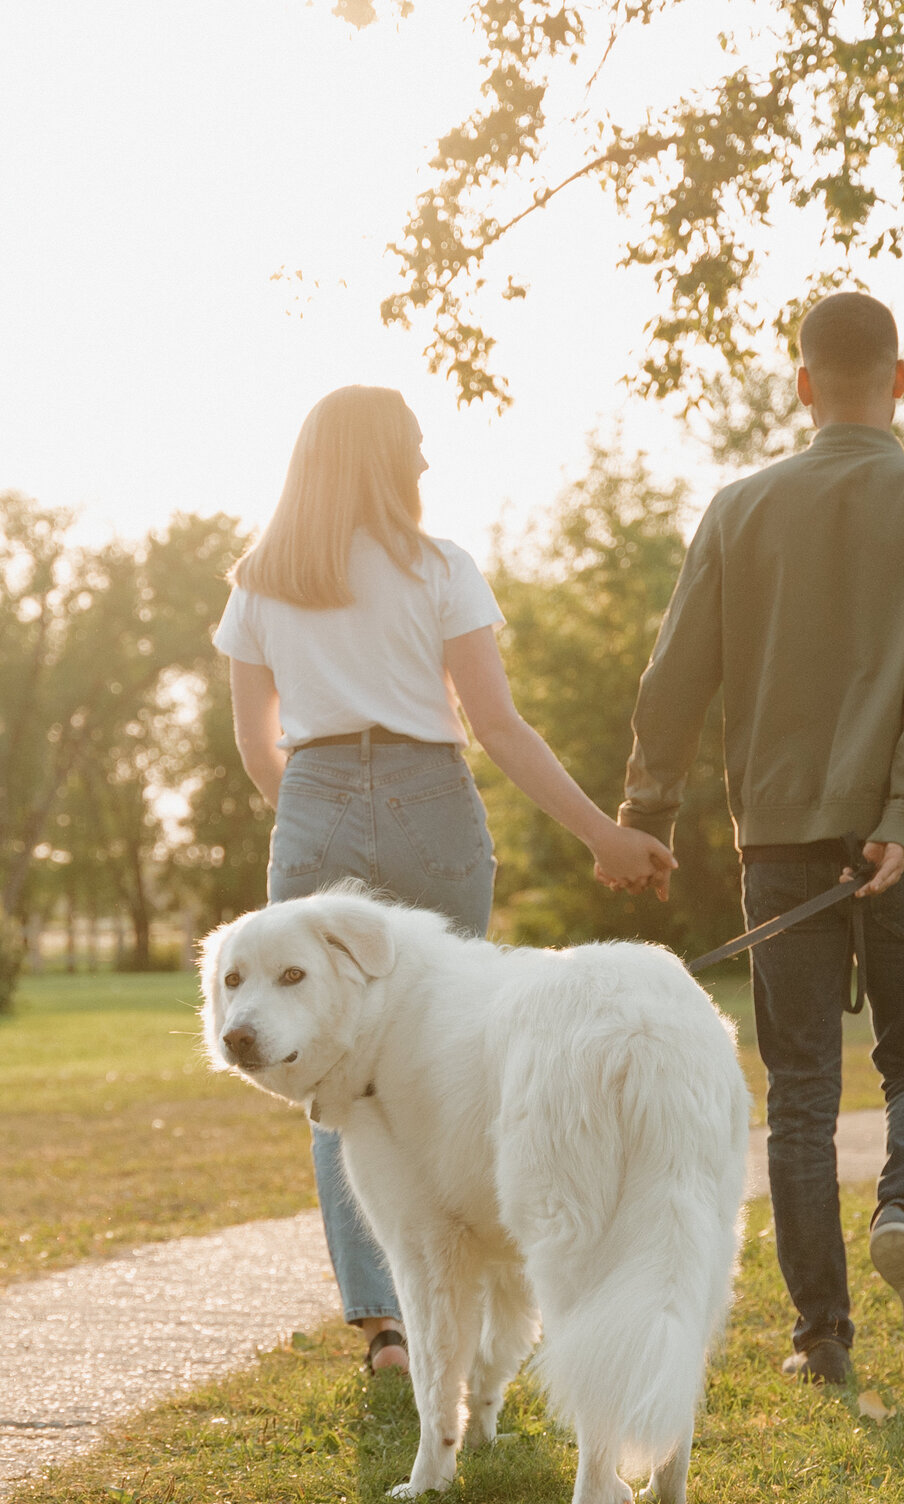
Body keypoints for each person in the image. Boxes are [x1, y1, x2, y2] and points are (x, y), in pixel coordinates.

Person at [213, 384, 674, 1374]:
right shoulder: (440, 569)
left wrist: (309, 811)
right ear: (378, 457)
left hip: (315, 787)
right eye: (413, 447)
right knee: (453, 1049)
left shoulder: (259, 583)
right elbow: (498, 726)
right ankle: (470, 1289)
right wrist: (602, 834)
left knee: (329, 1075)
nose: (425, 463)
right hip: (430, 791)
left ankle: (388, 1324)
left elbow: (256, 745)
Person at [614, 293, 904, 1385]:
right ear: (900, 377)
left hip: (778, 842)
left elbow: (674, 677)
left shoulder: (739, 508)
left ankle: (820, 1337)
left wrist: (649, 809)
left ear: (800, 383)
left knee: (799, 1091)